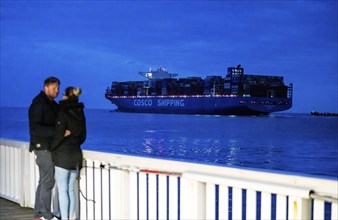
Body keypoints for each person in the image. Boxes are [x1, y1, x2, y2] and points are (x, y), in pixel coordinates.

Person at [29, 77, 67, 220]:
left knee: (43, 181)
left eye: (58, 88)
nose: (57, 91)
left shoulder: (51, 104)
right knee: (48, 181)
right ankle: (45, 214)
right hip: (43, 147)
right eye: (54, 88)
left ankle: (38, 214)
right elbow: (35, 128)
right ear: (46, 87)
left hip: (47, 147)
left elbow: (62, 115)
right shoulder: (39, 104)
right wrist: (59, 133)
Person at [50, 87, 86, 220]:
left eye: (63, 94)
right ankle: (70, 217)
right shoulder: (81, 113)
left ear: (66, 96)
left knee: (63, 190)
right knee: (71, 190)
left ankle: (64, 218)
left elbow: (58, 136)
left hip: (62, 155)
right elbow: (83, 137)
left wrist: (52, 148)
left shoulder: (62, 112)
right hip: (76, 155)